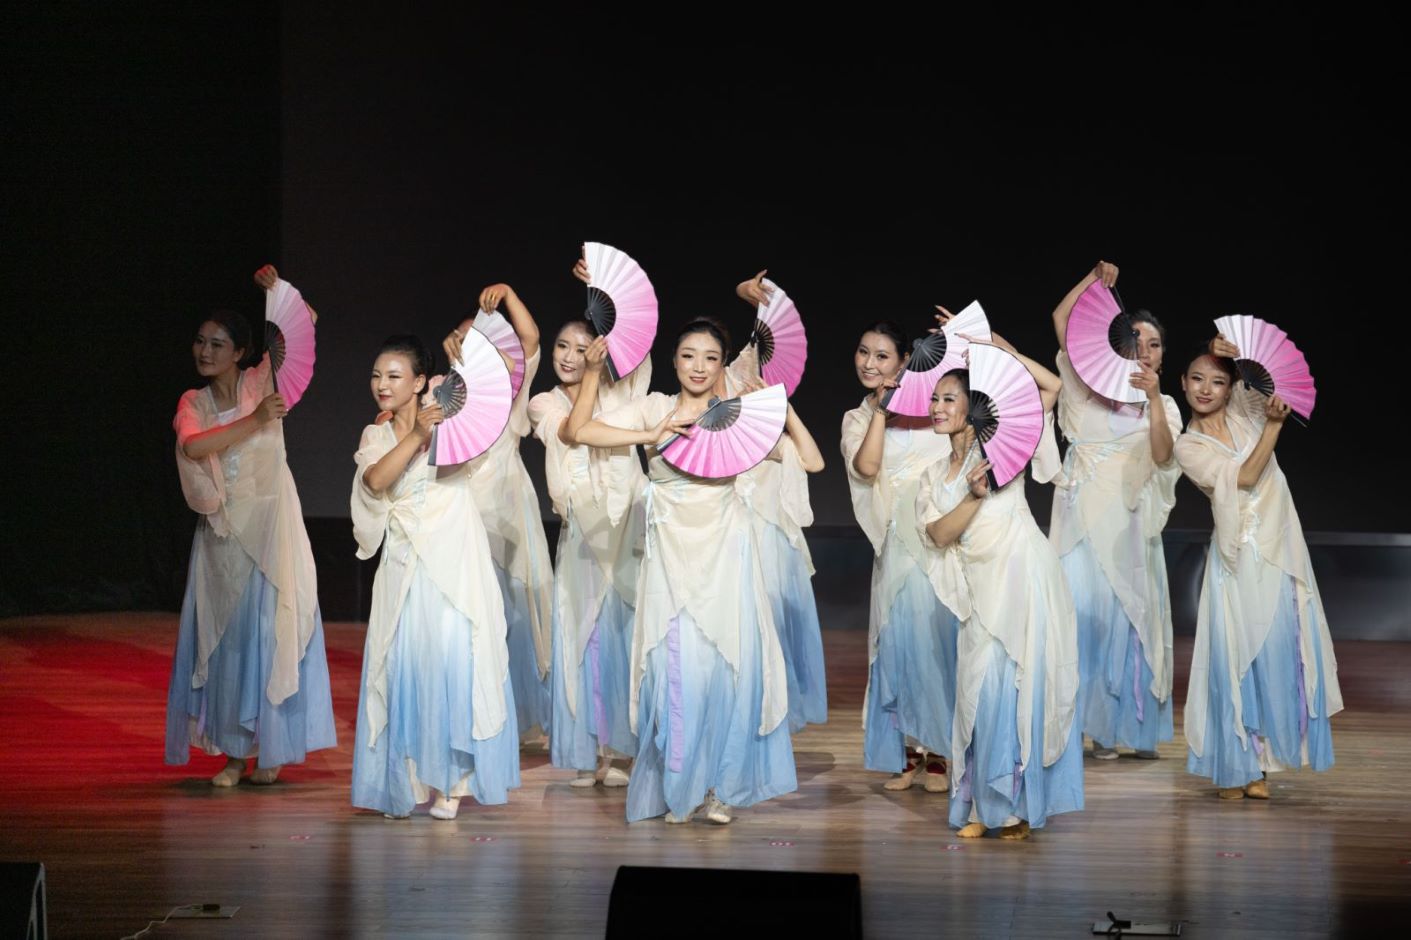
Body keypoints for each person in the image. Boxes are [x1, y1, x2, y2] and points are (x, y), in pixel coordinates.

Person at [166, 264, 335, 786]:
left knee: (270, 631)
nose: (205, 351)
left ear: (240, 352)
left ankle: (272, 750)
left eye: (217, 344)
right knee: (228, 639)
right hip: (223, 534)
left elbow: (304, 323)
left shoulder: (263, 380)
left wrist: (278, 291)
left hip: (270, 526)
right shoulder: (193, 402)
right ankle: (235, 754)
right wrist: (256, 419)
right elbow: (195, 445)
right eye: (200, 342)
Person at [350, 334, 519, 819]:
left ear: (421, 381)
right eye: (377, 375)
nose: (382, 384)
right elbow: (376, 481)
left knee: (453, 663)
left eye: (394, 375)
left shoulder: (454, 422)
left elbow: (500, 389)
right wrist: (416, 434)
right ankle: (405, 782)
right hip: (405, 561)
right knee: (404, 664)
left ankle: (453, 781)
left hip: (454, 557)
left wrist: (473, 354)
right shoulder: (376, 434)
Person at [1173, 338, 1341, 799]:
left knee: (1278, 649)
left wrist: (1234, 354)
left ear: (1229, 388)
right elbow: (1245, 477)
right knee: (1236, 655)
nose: (1205, 388)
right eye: (1197, 378)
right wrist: (1273, 428)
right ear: (1183, 383)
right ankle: (1238, 766)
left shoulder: (1244, 410)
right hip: (1238, 557)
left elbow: (1268, 381)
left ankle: (1263, 763)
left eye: (1217, 381)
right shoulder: (1188, 446)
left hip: (1279, 548)